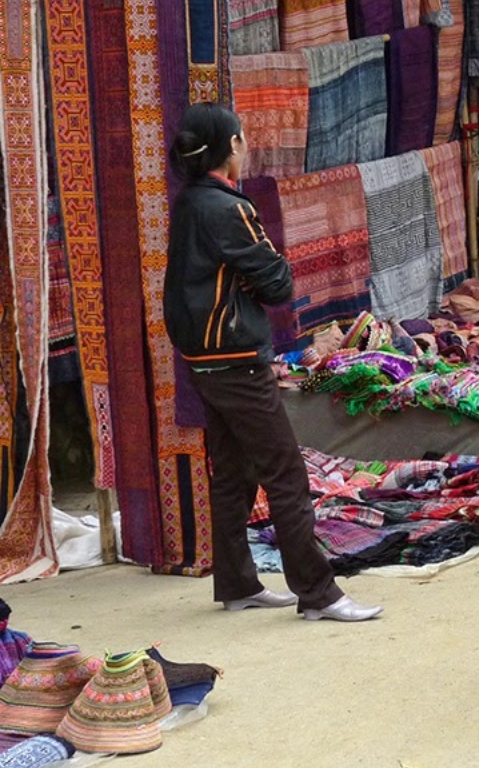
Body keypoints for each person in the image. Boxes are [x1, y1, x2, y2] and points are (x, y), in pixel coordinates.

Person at [163, 103, 382, 623]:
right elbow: (278, 284)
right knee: (285, 475)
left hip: (203, 358)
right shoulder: (228, 208)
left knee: (234, 472)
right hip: (236, 358)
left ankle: (238, 583)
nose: (247, 147)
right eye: (242, 139)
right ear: (232, 146)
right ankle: (318, 593)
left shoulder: (191, 202)